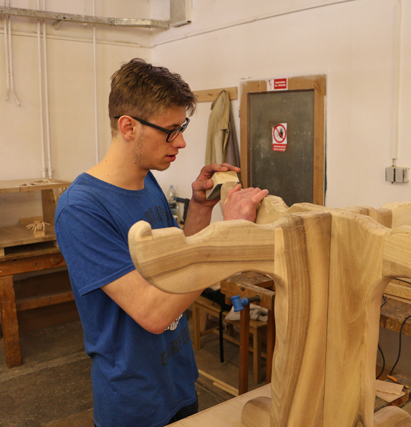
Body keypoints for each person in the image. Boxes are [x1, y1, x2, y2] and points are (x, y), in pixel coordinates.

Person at [54, 58, 268, 427]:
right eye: (170, 131)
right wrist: (230, 233)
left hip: (178, 381)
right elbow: (153, 314)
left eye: (181, 128)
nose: (181, 142)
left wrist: (200, 208)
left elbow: (177, 266)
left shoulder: (147, 180)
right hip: (134, 403)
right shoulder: (81, 208)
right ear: (128, 127)